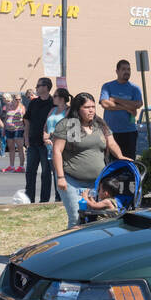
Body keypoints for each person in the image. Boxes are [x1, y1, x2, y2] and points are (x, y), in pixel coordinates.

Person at [51, 92, 126, 229]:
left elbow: (111, 143)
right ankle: (71, 248)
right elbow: (57, 151)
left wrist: (120, 156)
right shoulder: (71, 125)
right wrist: (61, 177)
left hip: (96, 183)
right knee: (77, 218)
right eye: (86, 107)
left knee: (95, 219)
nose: (91, 110)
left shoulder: (99, 124)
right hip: (71, 181)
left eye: (93, 106)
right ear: (77, 109)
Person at [100, 59, 144, 158]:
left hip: (129, 132)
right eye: (123, 69)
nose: (127, 72)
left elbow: (138, 104)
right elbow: (105, 104)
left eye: (129, 69)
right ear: (117, 71)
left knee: (128, 161)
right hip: (110, 132)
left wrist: (116, 99)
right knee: (110, 162)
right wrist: (128, 108)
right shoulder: (107, 86)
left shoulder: (135, 88)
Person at [23, 77, 55, 203]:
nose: (36, 88)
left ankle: (44, 200)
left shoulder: (54, 103)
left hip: (47, 144)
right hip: (33, 142)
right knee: (30, 172)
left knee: (46, 173)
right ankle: (29, 199)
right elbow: (27, 119)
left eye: (38, 86)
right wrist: (26, 137)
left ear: (46, 87)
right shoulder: (34, 102)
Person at [1, 92, 25, 172]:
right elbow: (6, 118)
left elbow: (25, 119)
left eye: (19, 99)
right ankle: (11, 166)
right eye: (17, 99)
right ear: (13, 99)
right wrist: (4, 129)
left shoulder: (22, 107)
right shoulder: (9, 106)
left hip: (18, 129)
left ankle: (21, 166)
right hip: (9, 129)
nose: (18, 101)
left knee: (20, 148)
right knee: (11, 148)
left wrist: (26, 131)